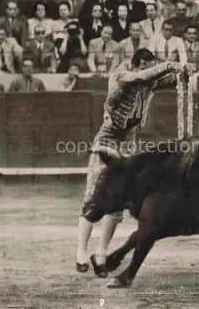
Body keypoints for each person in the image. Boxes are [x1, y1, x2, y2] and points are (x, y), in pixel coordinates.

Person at [76, 48, 190, 278]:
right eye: (149, 65)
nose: (150, 70)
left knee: (118, 201)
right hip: (106, 140)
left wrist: (185, 70)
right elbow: (140, 77)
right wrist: (170, 64)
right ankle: (80, 251)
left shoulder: (149, 82)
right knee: (93, 196)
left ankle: (101, 253)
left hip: (128, 144)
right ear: (138, 64)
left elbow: (173, 79)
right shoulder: (122, 75)